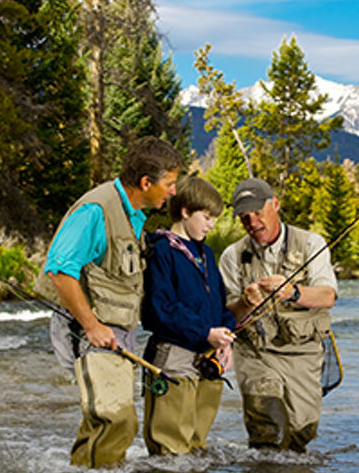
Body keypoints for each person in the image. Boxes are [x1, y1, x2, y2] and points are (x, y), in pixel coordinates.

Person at [43, 137, 184, 468]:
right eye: (169, 183)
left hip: (118, 333)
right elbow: (60, 270)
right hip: (90, 332)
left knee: (104, 421)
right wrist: (91, 326)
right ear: (145, 182)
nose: (173, 192)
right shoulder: (96, 210)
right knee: (116, 420)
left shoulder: (133, 214)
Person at [218, 177, 337, 452]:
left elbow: (327, 297)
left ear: (275, 205)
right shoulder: (231, 256)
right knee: (267, 431)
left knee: (300, 434)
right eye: (244, 217)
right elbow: (227, 318)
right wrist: (245, 303)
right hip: (255, 353)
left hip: (302, 353)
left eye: (258, 213)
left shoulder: (310, 244)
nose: (252, 222)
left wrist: (293, 292)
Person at [140, 176, 237, 455]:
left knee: (197, 449)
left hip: (208, 359)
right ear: (184, 211)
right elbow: (159, 310)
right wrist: (206, 333)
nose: (211, 224)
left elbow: (220, 305)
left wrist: (225, 338)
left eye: (214, 218)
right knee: (170, 451)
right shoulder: (161, 250)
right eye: (206, 217)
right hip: (173, 358)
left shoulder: (206, 252)